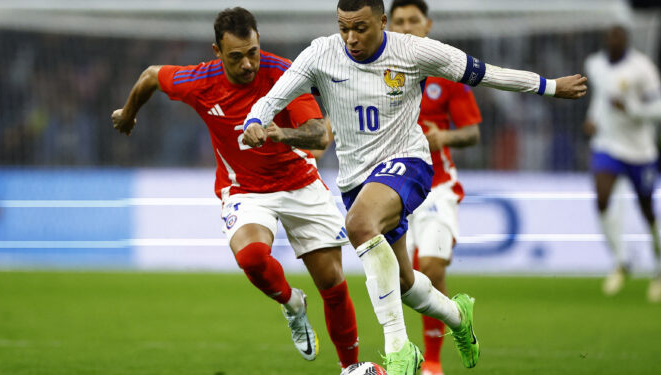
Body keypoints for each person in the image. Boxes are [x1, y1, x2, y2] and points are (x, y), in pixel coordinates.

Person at [239, 1, 587, 373]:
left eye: (360, 28)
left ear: (382, 22)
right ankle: (458, 315)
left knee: (358, 225)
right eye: (344, 28)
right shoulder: (321, 53)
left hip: (409, 163)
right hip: (357, 180)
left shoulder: (412, 50)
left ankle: (400, 349)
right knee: (403, 283)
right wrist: (255, 120)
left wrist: (549, 86)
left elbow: (486, 73)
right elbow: (274, 97)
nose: (351, 38)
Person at [110, 7, 360, 369]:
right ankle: (292, 304)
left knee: (333, 284)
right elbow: (151, 76)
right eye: (236, 57)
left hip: (301, 184)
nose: (247, 64)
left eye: (253, 53)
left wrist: (280, 133)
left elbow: (319, 134)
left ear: (260, 43)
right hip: (245, 191)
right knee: (251, 258)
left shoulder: (284, 75)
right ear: (217, 52)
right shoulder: (201, 80)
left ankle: (351, 368)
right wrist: (129, 113)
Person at [388, 1, 481, 374]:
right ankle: (449, 323)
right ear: (387, 25)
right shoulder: (375, 72)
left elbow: (473, 133)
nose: (407, 27)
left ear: (427, 25)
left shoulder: (448, 72)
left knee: (430, 265)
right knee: (401, 278)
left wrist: (444, 136)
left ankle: (433, 363)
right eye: (399, 22)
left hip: (438, 189)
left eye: (414, 21)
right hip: (394, 191)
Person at [583, 25, 661, 303]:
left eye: (617, 38)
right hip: (608, 145)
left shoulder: (642, 68)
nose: (612, 42)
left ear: (626, 42)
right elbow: (600, 97)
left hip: (640, 152)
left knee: (647, 210)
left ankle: (659, 270)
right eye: (609, 37)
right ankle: (621, 262)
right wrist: (593, 118)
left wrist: (631, 109)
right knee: (602, 198)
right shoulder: (595, 65)